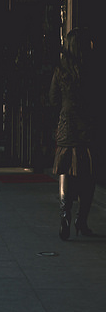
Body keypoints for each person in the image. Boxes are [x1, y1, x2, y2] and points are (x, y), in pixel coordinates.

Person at [49, 28, 99, 240]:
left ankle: (64, 217)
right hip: (88, 125)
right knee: (89, 174)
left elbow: (52, 99)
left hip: (66, 124)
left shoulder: (61, 70)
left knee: (65, 170)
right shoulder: (92, 68)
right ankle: (82, 220)